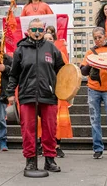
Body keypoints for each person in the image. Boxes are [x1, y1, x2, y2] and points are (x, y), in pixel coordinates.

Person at [7, 18, 65, 173]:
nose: (37, 33)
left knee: (50, 130)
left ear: (44, 30)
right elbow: (13, 75)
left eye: (41, 30)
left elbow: (63, 71)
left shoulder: (52, 48)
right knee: (28, 131)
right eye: (34, 30)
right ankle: (30, 161)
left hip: (49, 95)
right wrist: (10, 93)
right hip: (27, 95)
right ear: (29, 31)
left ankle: (50, 160)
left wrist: (65, 90)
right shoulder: (20, 50)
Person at [80, 27, 107, 161]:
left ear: (105, 36)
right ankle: (97, 148)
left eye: (100, 37)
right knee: (94, 120)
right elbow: (83, 71)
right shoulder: (90, 52)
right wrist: (92, 63)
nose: (98, 40)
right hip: (93, 88)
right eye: (95, 38)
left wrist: (106, 65)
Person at [45, 31, 73, 158]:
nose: (49, 40)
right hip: (42, 91)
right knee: (42, 120)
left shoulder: (60, 54)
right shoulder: (36, 54)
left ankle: (57, 145)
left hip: (58, 91)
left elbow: (67, 72)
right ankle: (42, 145)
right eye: (46, 38)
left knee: (58, 120)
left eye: (51, 38)